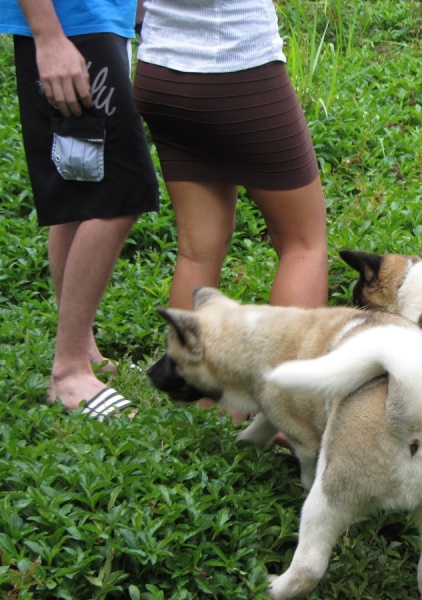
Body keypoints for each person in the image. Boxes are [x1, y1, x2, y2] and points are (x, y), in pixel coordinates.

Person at [132, 0, 329, 421]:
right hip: (238, 65)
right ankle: (288, 416)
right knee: (303, 244)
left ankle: (203, 403)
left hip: (160, 68)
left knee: (197, 250)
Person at [0, 0, 160, 419]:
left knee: (80, 182)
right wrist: (49, 37)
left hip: (96, 20)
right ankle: (68, 370)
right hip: (71, 23)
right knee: (123, 190)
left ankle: (81, 347)